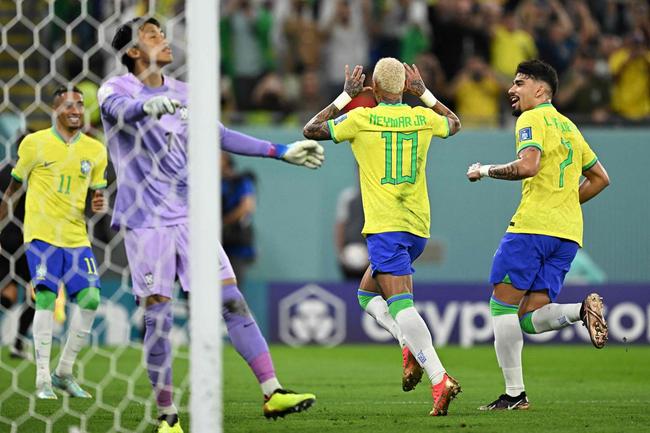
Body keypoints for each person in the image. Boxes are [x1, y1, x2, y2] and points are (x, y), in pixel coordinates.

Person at [100, 17, 321, 433]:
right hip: (147, 222)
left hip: (190, 218)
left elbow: (218, 134)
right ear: (132, 51)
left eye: (162, 33)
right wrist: (145, 105)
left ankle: (273, 392)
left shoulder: (184, 93)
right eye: (152, 36)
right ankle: (168, 418)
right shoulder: (115, 88)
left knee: (232, 301)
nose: (164, 40)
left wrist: (281, 149)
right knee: (158, 319)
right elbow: (119, 111)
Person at [303, 58, 462, 416]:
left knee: (400, 304)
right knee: (365, 293)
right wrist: (426, 95)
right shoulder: (423, 117)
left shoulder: (361, 118)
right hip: (418, 226)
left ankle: (439, 378)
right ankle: (408, 345)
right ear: (406, 87)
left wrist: (345, 97)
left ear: (372, 89)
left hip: (385, 225)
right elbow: (455, 122)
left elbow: (311, 129)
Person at [466, 59, 610, 411]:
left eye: (519, 83)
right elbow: (601, 179)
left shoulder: (532, 119)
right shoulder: (570, 127)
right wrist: (563, 202)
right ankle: (580, 310)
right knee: (529, 318)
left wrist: (484, 170)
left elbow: (528, 166)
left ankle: (515, 395)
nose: (511, 90)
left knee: (501, 307)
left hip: (532, 229)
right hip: (567, 235)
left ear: (540, 90)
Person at [0, 86, 108, 399]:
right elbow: (13, 186)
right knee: (45, 297)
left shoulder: (95, 149)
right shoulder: (34, 144)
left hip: (76, 235)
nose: (76, 110)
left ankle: (64, 372)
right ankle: (43, 379)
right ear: (55, 110)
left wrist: (97, 203)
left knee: (90, 299)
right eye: (68, 105)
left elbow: (95, 194)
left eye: (80, 105)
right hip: (41, 234)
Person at [221, 152, 256, 288]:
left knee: (232, 290)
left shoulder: (239, 181)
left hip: (234, 244)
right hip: (208, 245)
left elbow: (247, 206)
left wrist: (223, 222)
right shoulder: (204, 181)